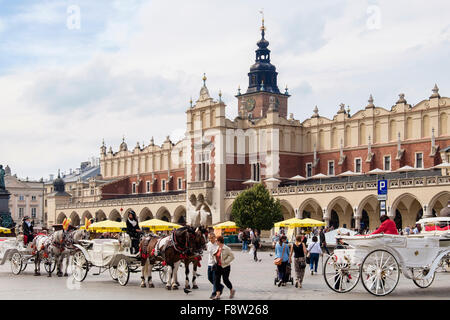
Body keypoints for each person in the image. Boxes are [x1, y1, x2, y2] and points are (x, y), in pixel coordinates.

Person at [212, 236, 235, 300]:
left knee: (225, 280)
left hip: (225, 267)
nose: (215, 242)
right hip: (218, 266)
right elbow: (214, 255)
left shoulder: (227, 248)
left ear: (219, 241)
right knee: (217, 280)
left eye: (216, 241)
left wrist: (225, 262)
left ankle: (231, 289)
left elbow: (232, 256)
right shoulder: (217, 248)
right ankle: (218, 295)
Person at [207, 233, 223, 299]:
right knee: (209, 278)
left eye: (212, 237)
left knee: (215, 279)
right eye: (210, 238)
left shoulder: (217, 244)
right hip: (209, 264)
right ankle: (220, 286)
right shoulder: (208, 244)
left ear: (215, 237)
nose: (211, 239)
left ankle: (214, 293)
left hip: (216, 264)